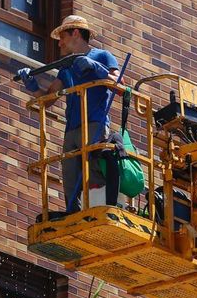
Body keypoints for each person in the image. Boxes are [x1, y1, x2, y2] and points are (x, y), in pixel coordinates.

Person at [17, 15, 120, 213]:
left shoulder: (102, 56)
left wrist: (97, 69)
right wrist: (31, 85)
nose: (59, 44)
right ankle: (73, 213)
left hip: (94, 124)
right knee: (70, 176)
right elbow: (47, 100)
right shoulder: (67, 67)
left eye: (62, 37)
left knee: (95, 170)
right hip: (72, 129)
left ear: (75, 33)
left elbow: (121, 85)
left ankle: (104, 209)